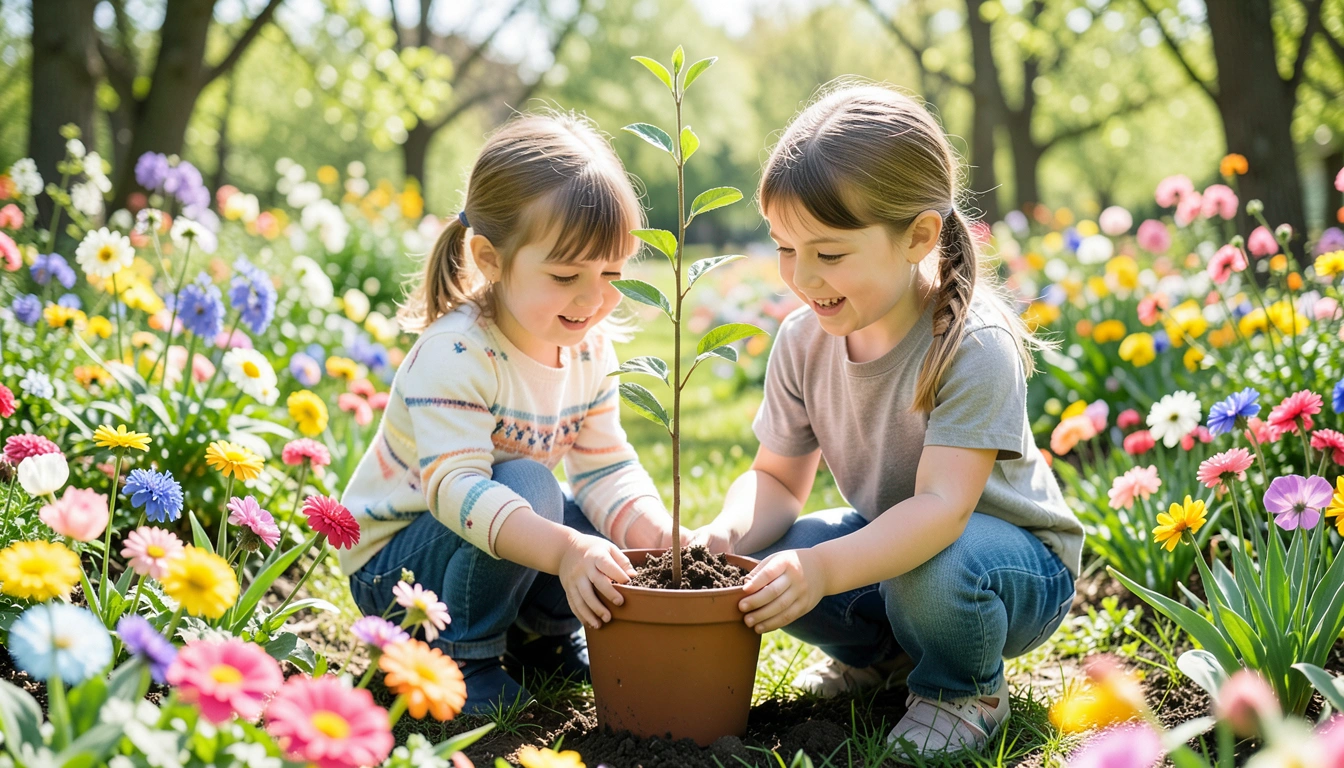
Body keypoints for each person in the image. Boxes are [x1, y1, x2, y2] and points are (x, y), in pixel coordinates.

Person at [690, 83, 1084, 758]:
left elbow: (939, 512)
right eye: (785, 248)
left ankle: (965, 690)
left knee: (924, 571)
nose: (802, 277)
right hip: (898, 549)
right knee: (768, 557)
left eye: (829, 253)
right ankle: (884, 662)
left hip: (1006, 569)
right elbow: (778, 484)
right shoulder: (803, 340)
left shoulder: (971, 343)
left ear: (919, 236)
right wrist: (723, 535)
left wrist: (821, 569)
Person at [340, 113, 677, 713]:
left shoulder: (590, 345)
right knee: (533, 489)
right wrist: (564, 551)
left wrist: (657, 532)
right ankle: (462, 655)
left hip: (480, 544)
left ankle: (539, 638)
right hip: (397, 570)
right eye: (566, 275)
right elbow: (455, 490)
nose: (593, 298)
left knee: (593, 521)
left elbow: (605, 468)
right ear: (490, 259)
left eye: (612, 274)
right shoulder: (457, 352)